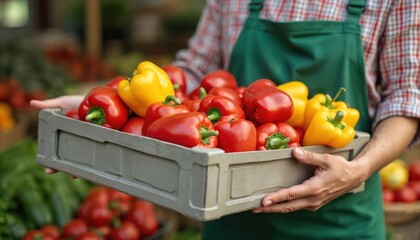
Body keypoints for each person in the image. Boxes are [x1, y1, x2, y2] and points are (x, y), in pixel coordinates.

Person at [31, 0, 419, 239]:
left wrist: (361, 167)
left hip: (339, 218)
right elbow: (194, 71)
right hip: (229, 212)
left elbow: (406, 96)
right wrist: (106, 106)